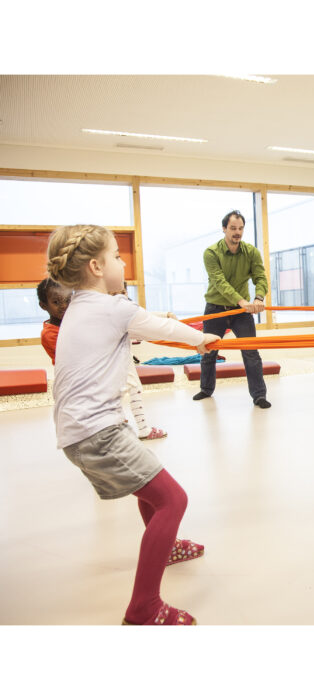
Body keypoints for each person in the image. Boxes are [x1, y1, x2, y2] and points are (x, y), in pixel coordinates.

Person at [47, 224, 220, 624]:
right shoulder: (112, 308)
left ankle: (168, 546)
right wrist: (202, 339)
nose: (123, 262)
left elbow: (136, 326)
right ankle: (144, 606)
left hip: (88, 429)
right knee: (173, 500)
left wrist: (170, 327)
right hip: (97, 432)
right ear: (95, 265)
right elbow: (160, 329)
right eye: (117, 256)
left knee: (152, 490)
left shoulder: (81, 306)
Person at [193, 209, 270, 408]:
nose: (237, 232)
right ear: (224, 229)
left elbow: (260, 277)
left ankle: (259, 396)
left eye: (241, 228)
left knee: (251, 352)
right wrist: (242, 301)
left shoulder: (251, 252)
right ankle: (206, 389)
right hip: (216, 308)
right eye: (233, 228)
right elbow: (219, 282)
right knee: (209, 351)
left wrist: (259, 297)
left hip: (241, 312)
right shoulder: (211, 253)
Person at [111, 287, 171, 441]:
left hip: (118, 356)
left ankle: (119, 420)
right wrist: (166, 317)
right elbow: (145, 319)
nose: (123, 295)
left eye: (124, 291)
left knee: (122, 388)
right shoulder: (116, 311)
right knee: (134, 388)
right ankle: (143, 429)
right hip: (119, 356)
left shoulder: (121, 309)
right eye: (118, 293)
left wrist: (166, 315)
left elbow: (144, 316)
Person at [37, 277, 72, 363]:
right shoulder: (49, 334)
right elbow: (74, 354)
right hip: (71, 373)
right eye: (56, 302)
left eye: (68, 300)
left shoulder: (73, 320)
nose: (64, 306)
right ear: (43, 306)